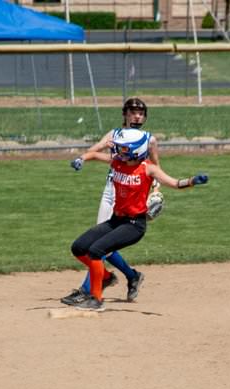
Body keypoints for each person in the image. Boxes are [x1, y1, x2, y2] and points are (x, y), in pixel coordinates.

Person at [68, 127, 209, 312]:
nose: (119, 151)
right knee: (78, 247)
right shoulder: (118, 162)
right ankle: (105, 277)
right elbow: (94, 154)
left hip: (134, 225)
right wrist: (81, 159)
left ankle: (96, 300)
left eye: (125, 149)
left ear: (137, 150)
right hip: (116, 221)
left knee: (96, 251)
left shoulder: (148, 168)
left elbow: (174, 183)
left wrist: (192, 181)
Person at [62, 97, 161, 305]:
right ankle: (128, 275)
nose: (137, 115)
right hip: (111, 191)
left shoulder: (148, 140)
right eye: (133, 111)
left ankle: (89, 289)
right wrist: (82, 158)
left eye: (141, 113)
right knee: (99, 243)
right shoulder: (114, 135)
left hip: (132, 193)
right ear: (124, 114)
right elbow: (94, 150)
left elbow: (155, 167)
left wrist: (156, 190)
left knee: (99, 247)